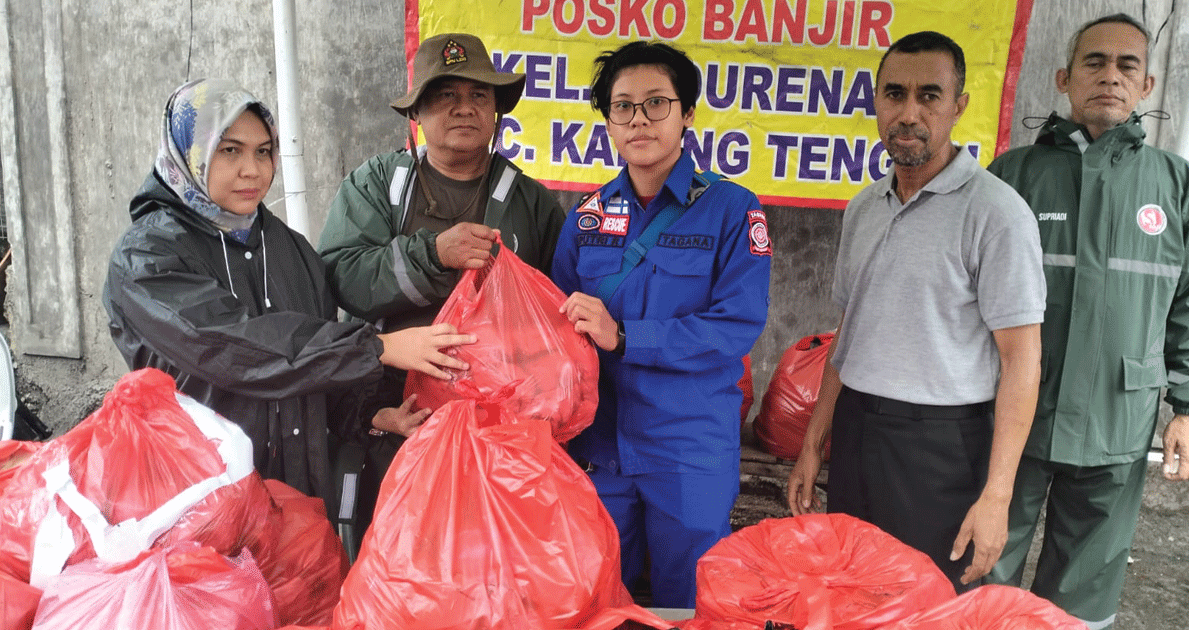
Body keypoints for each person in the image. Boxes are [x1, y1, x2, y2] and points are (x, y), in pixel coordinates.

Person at [103, 78, 474, 509]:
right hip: (193, 503)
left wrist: (367, 415)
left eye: (263, 151)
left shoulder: (291, 250)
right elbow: (231, 347)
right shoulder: (147, 255)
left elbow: (313, 368)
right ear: (189, 154)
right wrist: (376, 347)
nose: (253, 169)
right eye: (230, 150)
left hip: (294, 502)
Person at [785, 31, 1046, 592]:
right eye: (894, 94)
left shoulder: (997, 213)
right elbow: (847, 335)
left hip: (942, 450)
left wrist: (997, 496)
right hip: (857, 432)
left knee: (927, 603)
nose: (909, 113)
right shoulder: (864, 208)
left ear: (959, 106)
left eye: (929, 95)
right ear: (875, 102)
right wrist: (813, 443)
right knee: (852, 592)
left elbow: (1022, 362)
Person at [982, 14, 1189, 628]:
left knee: (1083, 597)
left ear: (1148, 85)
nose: (1110, 76)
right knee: (983, 571)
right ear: (1064, 77)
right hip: (1011, 418)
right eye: (1094, 62)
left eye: (1127, 65)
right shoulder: (1013, 175)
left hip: (1118, 419)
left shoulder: (1177, 186)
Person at [316, 33, 564, 538]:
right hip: (396, 417)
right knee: (400, 560)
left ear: (497, 110)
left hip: (499, 431)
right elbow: (342, 278)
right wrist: (432, 254)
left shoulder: (531, 202)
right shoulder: (374, 185)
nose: (463, 109)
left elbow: (554, 324)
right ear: (418, 113)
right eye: (444, 95)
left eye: (478, 96)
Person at [551, 41, 771, 608]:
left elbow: (735, 327)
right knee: (598, 601)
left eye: (655, 103)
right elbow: (557, 333)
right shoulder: (588, 216)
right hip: (602, 451)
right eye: (622, 106)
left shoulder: (733, 210)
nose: (638, 119)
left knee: (689, 602)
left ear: (687, 114)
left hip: (688, 451)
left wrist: (625, 337)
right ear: (607, 121)